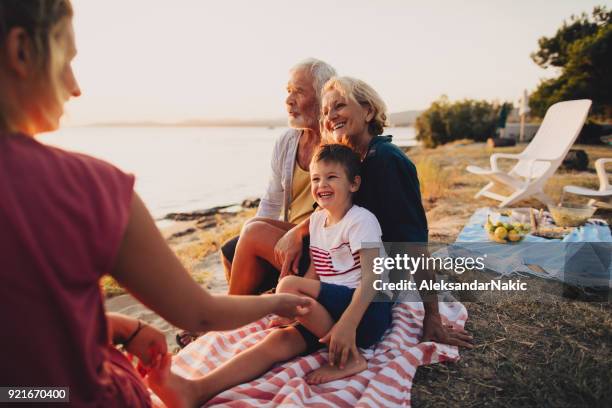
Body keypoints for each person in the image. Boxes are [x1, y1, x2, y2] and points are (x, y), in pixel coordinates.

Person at [0, 1, 311, 406]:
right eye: (66, 60)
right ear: (22, 50)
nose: (75, 86)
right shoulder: (90, 186)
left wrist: (109, 324)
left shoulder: (376, 158)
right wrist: (279, 301)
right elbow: (196, 312)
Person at [147, 144, 393, 407]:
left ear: (354, 184)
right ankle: (196, 390)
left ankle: (351, 358)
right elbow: (316, 272)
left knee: (287, 284)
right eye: (315, 178)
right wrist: (297, 311)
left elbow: (373, 279)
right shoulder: (317, 221)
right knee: (278, 340)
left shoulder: (361, 221)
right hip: (332, 313)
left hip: (367, 313)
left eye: (332, 177)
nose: (322, 184)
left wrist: (346, 325)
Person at [242, 76, 474, 348]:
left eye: (339, 106)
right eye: (326, 112)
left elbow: (414, 244)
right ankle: (242, 313)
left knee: (255, 232)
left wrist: (431, 316)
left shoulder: (386, 161)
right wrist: (296, 231)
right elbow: (324, 214)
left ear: (368, 111)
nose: (330, 116)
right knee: (246, 236)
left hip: (362, 271)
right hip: (343, 253)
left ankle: (229, 319)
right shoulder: (353, 156)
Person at [223, 58, 336, 294]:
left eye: (299, 92)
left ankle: (227, 316)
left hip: (323, 243)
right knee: (232, 247)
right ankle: (246, 307)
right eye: (288, 91)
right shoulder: (287, 141)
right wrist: (249, 240)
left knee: (253, 232)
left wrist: (291, 232)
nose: (289, 100)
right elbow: (272, 200)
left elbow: (340, 209)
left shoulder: (338, 143)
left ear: (323, 96)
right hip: (291, 236)